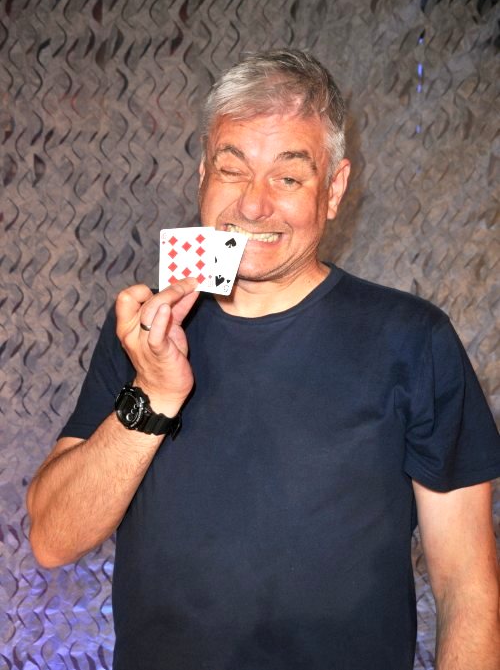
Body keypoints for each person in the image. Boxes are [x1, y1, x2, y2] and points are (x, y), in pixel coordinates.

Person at [27, 49, 500, 670]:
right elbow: (52, 539)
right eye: (233, 170)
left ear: (334, 190)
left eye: (288, 178)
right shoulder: (148, 329)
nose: (253, 206)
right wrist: (154, 393)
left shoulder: (413, 340)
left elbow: (466, 587)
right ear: (203, 174)